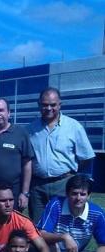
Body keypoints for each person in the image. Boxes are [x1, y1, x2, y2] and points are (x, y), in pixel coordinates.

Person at [28, 87, 95, 221]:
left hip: (64, 184)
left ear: (60, 105)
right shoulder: (30, 129)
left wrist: (70, 174)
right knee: (37, 227)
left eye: (53, 104)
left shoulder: (74, 126)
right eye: (45, 104)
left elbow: (86, 157)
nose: (49, 108)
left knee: (62, 225)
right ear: (39, 105)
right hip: (37, 187)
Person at [36, 174, 105, 252]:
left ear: (89, 195)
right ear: (67, 194)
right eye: (74, 193)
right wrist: (64, 237)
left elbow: (103, 244)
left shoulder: (97, 213)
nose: (78, 198)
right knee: (52, 247)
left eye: (83, 194)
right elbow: (40, 234)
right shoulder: (56, 204)